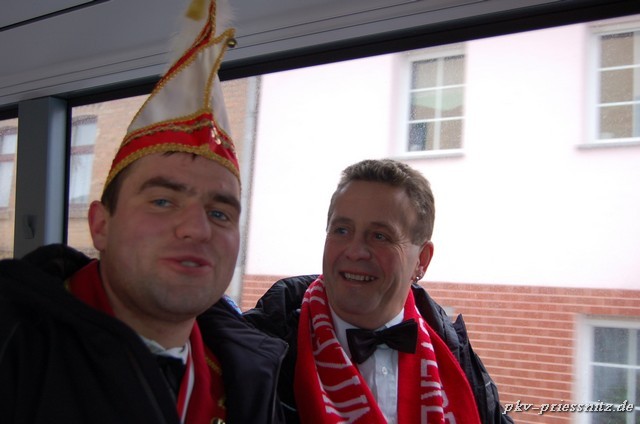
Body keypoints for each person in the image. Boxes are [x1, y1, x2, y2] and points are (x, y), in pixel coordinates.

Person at [0, 1, 286, 423]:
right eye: (163, 201)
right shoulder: (14, 346)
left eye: (220, 213)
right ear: (100, 225)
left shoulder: (250, 373)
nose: (196, 229)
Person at [244, 159, 514, 424]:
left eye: (380, 236)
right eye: (342, 230)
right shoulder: (255, 353)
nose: (355, 251)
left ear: (421, 260)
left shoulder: (457, 357)